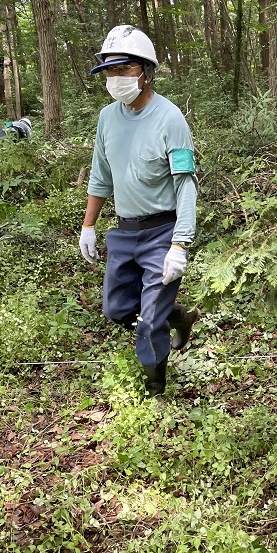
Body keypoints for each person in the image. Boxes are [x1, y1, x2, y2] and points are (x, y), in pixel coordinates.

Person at [79, 25, 200, 401]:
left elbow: (186, 184)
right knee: (117, 310)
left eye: (124, 69)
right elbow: (101, 176)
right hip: (123, 232)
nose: (116, 79)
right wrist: (88, 226)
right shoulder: (107, 119)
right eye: (110, 71)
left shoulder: (170, 118)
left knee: (148, 321)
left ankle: (156, 390)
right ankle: (176, 315)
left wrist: (180, 244)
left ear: (146, 72)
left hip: (161, 233)